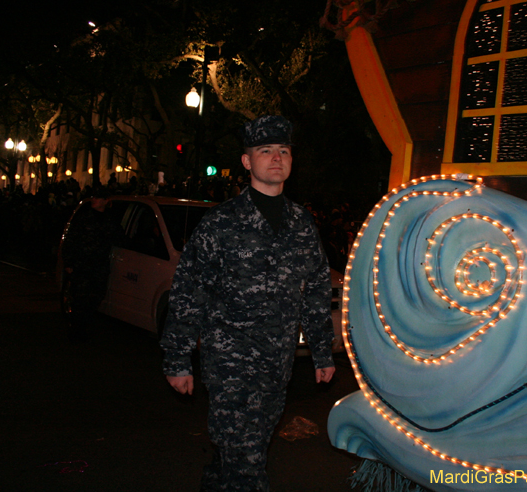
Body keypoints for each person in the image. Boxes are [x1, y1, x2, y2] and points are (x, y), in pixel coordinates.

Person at [160, 115, 335, 492]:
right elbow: (189, 290)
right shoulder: (221, 222)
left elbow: (317, 288)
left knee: (237, 454)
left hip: (277, 365)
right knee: (247, 463)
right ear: (246, 161)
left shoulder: (301, 223)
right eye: (265, 150)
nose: (277, 158)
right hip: (231, 365)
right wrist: (177, 359)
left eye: (283, 150)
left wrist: (322, 351)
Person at [61, 185, 123, 342]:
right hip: (82, 264)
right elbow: (71, 239)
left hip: (98, 265)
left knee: (95, 296)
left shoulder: (110, 219)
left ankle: (84, 326)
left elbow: (119, 237)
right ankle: (76, 331)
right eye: (94, 197)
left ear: (105, 201)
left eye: (98, 198)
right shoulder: (84, 218)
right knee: (80, 298)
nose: (94, 200)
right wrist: (69, 262)